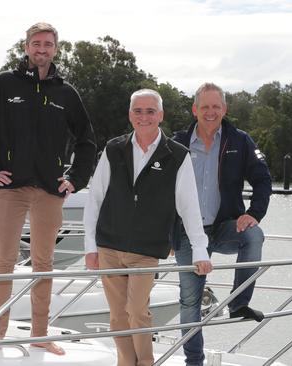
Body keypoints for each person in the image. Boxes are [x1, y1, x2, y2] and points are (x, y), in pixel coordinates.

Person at [0, 22, 96, 355]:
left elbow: (87, 141)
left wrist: (76, 178)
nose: (42, 49)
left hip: (50, 191)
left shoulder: (66, 93)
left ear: (56, 49)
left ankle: (40, 334)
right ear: (26, 47)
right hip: (12, 189)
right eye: (36, 43)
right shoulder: (3, 84)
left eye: (48, 44)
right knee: (3, 262)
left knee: (44, 265)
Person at [83, 89, 212, 366]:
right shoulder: (113, 149)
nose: (144, 117)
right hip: (109, 246)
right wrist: (90, 246)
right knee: (117, 315)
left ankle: (146, 362)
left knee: (137, 310)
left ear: (160, 116)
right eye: (138, 111)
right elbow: (95, 198)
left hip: (146, 250)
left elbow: (189, 207)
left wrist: (200, 249)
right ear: (130, 115)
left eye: (150, 111)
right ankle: (126, 363)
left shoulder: (177, 156)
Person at [172, 82, 272, 366]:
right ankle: (194, 362)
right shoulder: (177, 143)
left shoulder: (240, 141)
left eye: (216, 107)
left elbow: (263, 178)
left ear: (225, 109)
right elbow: (161, 191)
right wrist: (163, 236)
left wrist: (254, 213)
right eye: (205, 107)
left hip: (224, 226)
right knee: (190, 302)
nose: (210, 112)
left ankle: (239, 303)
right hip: (187, 234)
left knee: (254, 236)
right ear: (195, 110)